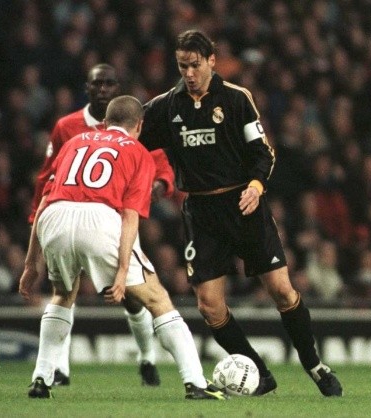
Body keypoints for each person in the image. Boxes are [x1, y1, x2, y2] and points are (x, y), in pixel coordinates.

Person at [139, 30, 343, 397]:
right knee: (209, 306)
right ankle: (259, 373)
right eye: (182, 65)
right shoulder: (166, 107)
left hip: (243, 204)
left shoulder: (236, 99)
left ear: (211, 61)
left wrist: (256, 186)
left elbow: (264, 152)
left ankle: (313, 363)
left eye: (195, 65)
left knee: (282, 290)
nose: (188, 73)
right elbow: (131, 143)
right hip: (200, 211)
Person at [19, 95, 227, 401]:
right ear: (139, 126)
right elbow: (130, 217)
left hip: (55, 218)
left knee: (62, 295)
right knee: (157, 299)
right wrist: (120, 276)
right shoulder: (139, 153)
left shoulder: (75, 142)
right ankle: (195, 383)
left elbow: (44, 202)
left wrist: (29, 266)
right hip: (100, 219)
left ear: (104, 123)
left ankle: (41, 379)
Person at [29, 63, 174, 386]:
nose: (103, 89)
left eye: (109, 84)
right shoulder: (67, 127)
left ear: (116, 89)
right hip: (78, 215)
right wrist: (36, 215)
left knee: (131, 296)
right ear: (88, 88)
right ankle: (60, 370)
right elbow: (48, 174)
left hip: (124, 217)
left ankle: (146, 356)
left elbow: (162, 164)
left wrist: (158, 187)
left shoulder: (135, 127)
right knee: (66, 291)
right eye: (98, 84)